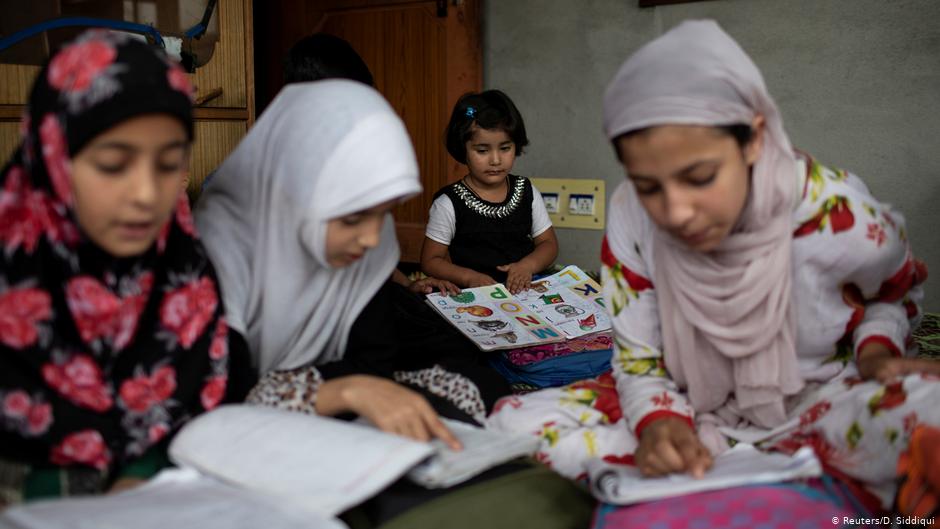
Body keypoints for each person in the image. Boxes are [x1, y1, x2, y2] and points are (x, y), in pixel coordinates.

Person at [486, 19, 934, 510]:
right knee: (511, 422)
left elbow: (893, 291)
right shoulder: (632, 215)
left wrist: (876, 350)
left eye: (700, 177)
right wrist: (659, 422)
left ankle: (776, 468)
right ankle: (764, 470)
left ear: (754, 140)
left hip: (820, 399)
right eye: (649, 186)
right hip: (690, 399)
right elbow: (639, 356)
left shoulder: (838, 215)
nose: (675, 212)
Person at [0, 31, 254, 505]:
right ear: (52, 154)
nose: (144, 194)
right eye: (114, 164)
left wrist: (145, 474)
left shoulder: (184, 279)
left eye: (167, 164)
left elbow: (208, 407)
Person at [194, 80, 511, 447]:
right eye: (350, 219)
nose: (372, 239)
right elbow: (218, 398)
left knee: (483, 386)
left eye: (383, 215)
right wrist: (344, 392)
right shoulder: (223, 247)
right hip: (238, 415)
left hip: (329, 391)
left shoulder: (362, 243)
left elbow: (374, 361)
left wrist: (354, 389)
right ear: (295, 194)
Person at [421, 90, 559, 294]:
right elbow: (431, 261)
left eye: (504, 148)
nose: (495, 160)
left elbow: (548, 244)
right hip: (477, 296)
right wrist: (469, 278)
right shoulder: (448, 202)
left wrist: (527, 266)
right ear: (463, 150)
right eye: (482, 151)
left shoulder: (526, 190)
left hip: (525, 290)